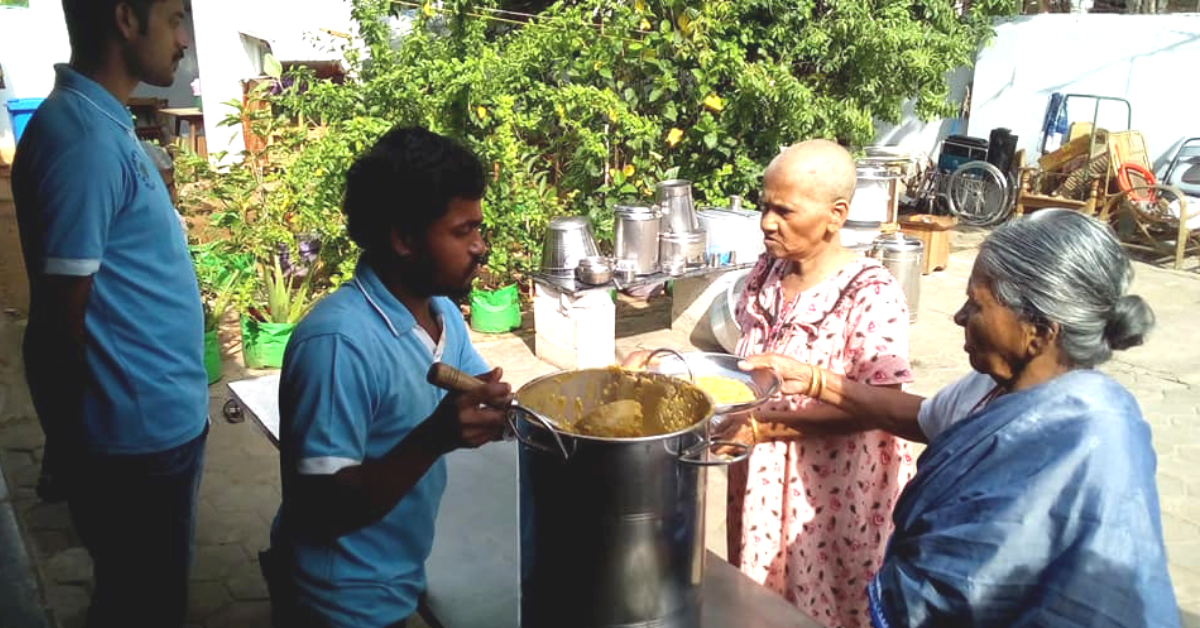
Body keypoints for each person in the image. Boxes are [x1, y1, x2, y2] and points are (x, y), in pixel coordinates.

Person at [742, 209, 1179, 627]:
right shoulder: (992, 384)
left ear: (1040, 331)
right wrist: (816, 380)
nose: (958, 317)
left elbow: (971, 588)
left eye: (977, 304)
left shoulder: (1088, 437)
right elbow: (925, 418)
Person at [629, 139, 915, 627]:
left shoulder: (871, 292)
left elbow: (881, 404)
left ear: (835, 215)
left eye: (784, 210)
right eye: (765, 205)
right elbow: (742, 370)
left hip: (830, 491)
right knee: (765, 602)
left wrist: (763, 430)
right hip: (762, 478)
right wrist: (663, 366)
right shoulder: (767, 273)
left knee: (831, 602)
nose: (766, 222)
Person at [264, 126, 513, 628]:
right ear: (403, 238)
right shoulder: (338, 344)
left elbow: (476, 398)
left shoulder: (440, 313)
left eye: (478, 229)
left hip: (397, 572)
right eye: (462, 231)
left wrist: (501, 411)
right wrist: (435, 438)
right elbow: (320, 507)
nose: (480, 247)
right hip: (338, 601)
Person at [11, 2, 206, 627]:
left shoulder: (102, 124)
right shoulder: (84, 142)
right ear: (126, 18)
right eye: (174, 19)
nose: (182, 40)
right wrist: (71, 448)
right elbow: (55, 323)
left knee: (141, 596)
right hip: (134, 442)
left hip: (154, 430)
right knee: (143, 606)